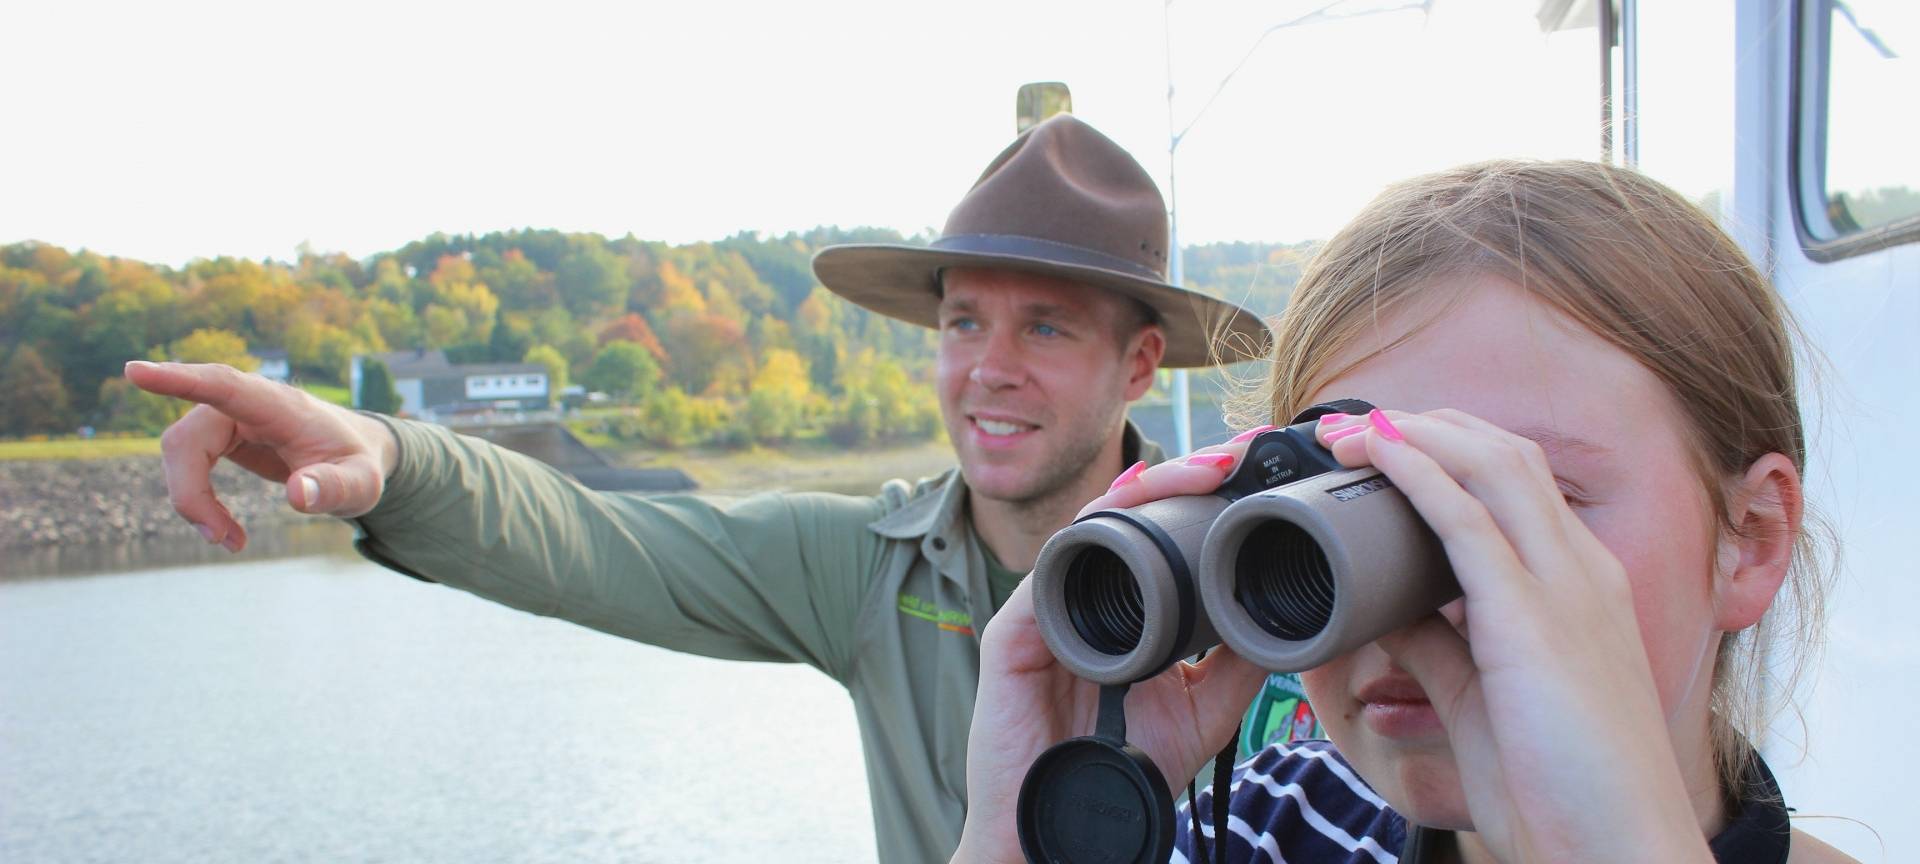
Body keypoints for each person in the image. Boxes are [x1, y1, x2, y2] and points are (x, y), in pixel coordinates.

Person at [123, 114, 1271, 863]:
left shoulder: (1261, 574)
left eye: (1047, 325)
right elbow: (592, 542)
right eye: (963, 319)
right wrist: (386, 454)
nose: (987, 367)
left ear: (1137, 364)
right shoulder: (874, 568)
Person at [954, 159, 1857, 863]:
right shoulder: (1275, 826)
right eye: (1338, 509)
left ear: (1749, 539)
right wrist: (1028, 842)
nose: (1415, 598)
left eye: (1530, 498)